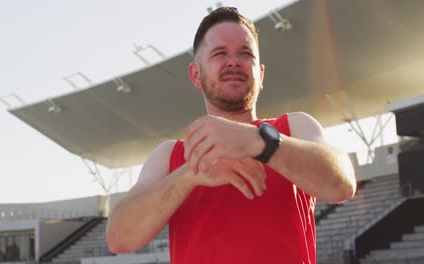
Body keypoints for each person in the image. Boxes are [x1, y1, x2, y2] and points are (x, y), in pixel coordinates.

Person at [106, 6, 356, 264]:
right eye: (219, 53)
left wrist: (259, 141)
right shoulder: (170, 156)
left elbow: (343, 184)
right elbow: (119, 237)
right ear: (196, 74)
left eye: (245, 53)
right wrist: (190, 173)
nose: (234, 61)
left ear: (260, 75)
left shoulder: (294, 128)